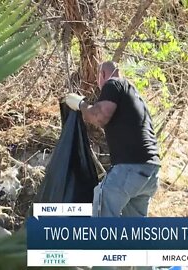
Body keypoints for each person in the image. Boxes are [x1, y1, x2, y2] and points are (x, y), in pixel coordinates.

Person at [64, 61, 160, 218]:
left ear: (102, 74)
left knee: (103, 219)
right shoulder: (135, 95)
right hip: (150, 171)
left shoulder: (113, 84)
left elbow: (100, 116)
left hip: (129, 169)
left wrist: (81, 105)